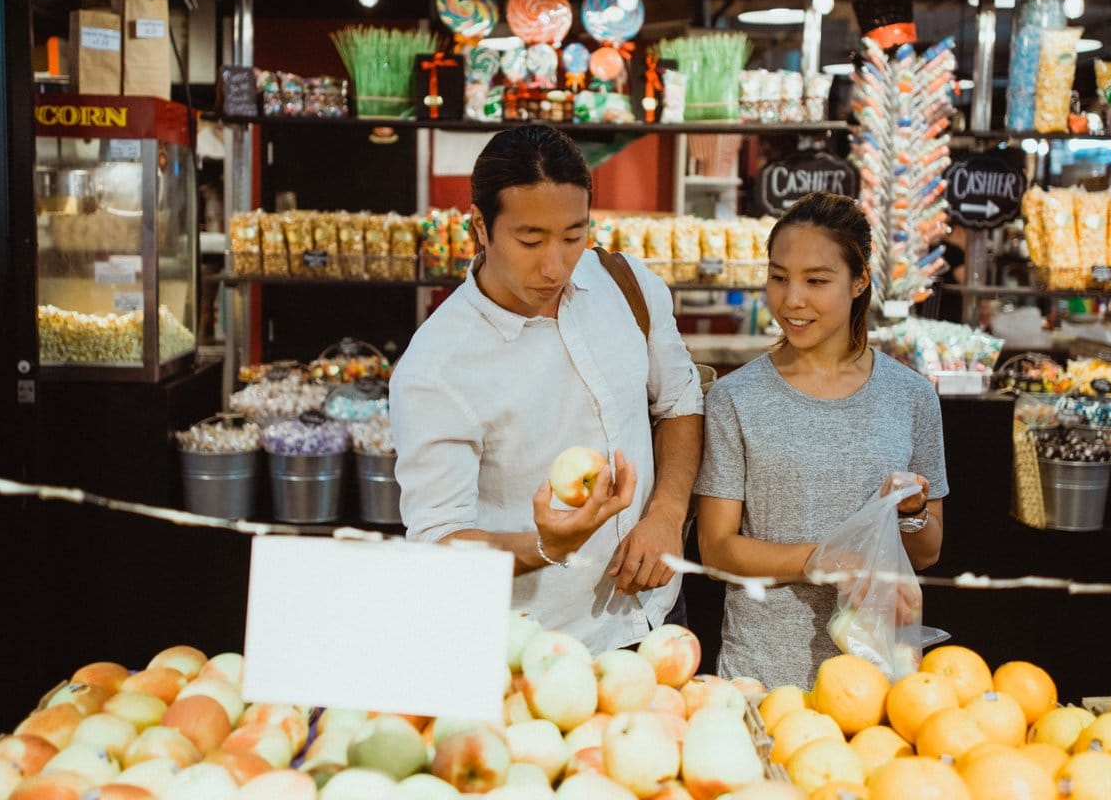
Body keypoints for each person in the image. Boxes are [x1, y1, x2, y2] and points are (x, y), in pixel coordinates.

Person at [391, 125, 704, 653]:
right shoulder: (437, 369)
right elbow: (438, 543)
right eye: (530, 240)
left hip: (660, 616)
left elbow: (679, 401)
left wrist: (668, 513)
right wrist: (544, 545)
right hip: (540, 647)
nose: (554, 265)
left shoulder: (624, 284)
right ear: (479, 228)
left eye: (573, 236)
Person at [693, 191, 947, 687]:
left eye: (817, 281)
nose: (792, 300)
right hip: (763, 678)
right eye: (779, 276)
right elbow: (716, 550)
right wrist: (823, 560)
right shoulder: (735, 398)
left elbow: (927, 552)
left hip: (879, 680)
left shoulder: (911, 397)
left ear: (859, 281)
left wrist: (911, 512)